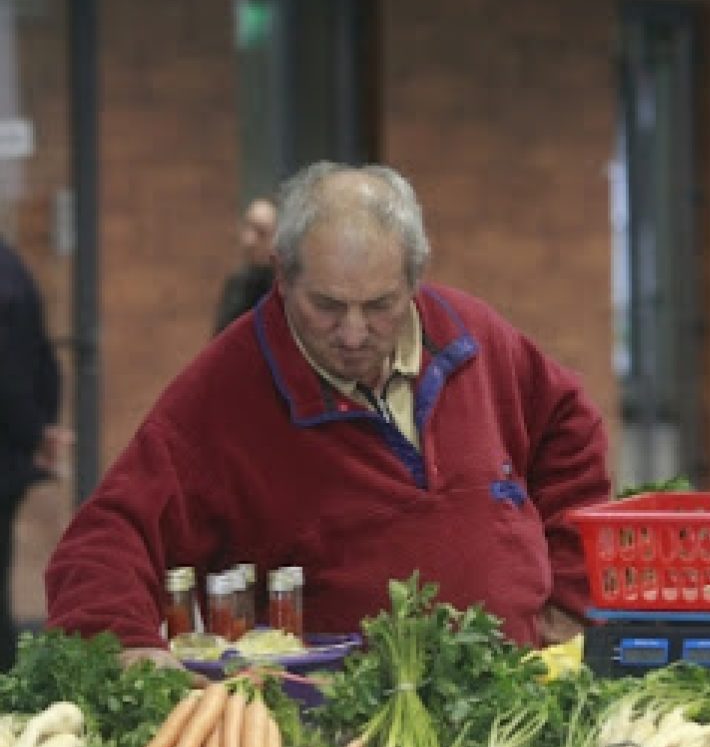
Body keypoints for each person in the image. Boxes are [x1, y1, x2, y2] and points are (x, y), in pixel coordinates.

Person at [45, 162, 610, 664]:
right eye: (327, 305)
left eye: (381, 305)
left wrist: (567, 600)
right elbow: (109, 534)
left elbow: (571, 433)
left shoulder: (473, 334)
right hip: (337, 731)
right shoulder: (227, 388)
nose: (354, 332)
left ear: (415, 280)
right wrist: (124, 647)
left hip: (516, 692)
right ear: (282, 275)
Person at [0, 238, 69, 670]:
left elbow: (10, 373)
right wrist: (41, 429)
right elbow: (42, 361)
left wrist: (34, 432)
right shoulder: (14, 267)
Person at [212, 197, 277, 334]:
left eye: (261, 233)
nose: (249, 240)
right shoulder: (237, 282)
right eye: (247, 227)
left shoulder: (289, 291)